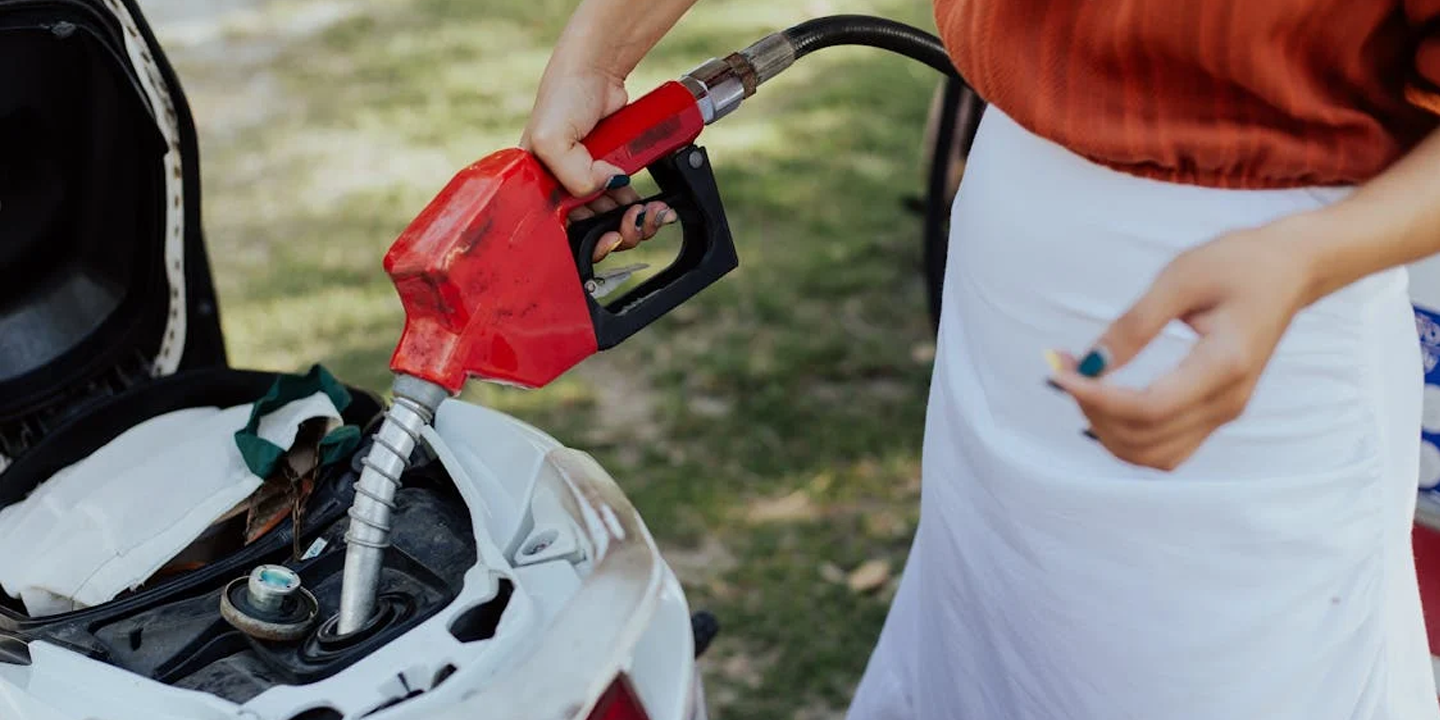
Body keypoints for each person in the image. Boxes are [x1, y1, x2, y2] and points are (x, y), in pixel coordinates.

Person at [521, 1, 1440, 717]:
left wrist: (1305, 260)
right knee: (997, 659)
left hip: (1261, 330)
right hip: (1006, 287)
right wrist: (597, 55)